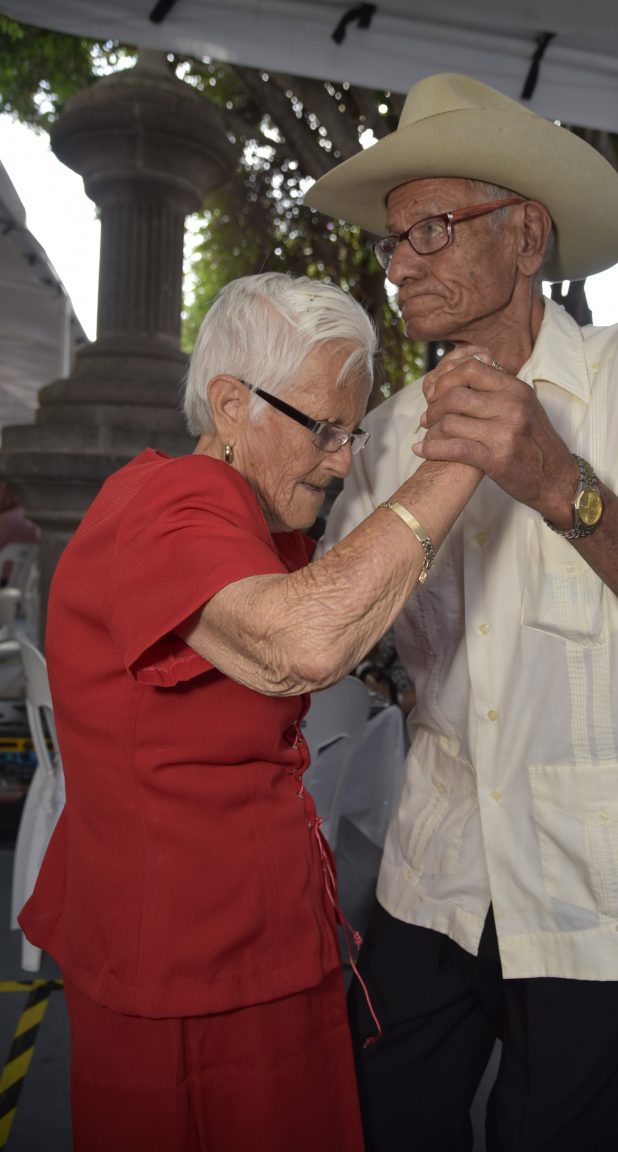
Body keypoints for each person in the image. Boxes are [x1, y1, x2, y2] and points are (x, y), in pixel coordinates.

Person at [306, 73, 618, 1152]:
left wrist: (558, 481)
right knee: (381, 1113)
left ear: (527, 237)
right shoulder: (391, 433)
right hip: (436, 866)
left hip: (596, 886)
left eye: (433, 230)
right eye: (396, 240)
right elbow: (342, 628)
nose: (401, 262)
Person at [17, 272, 481, 1152]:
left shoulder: (234, 512)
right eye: (327, 430)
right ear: (232, 404)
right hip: (191, 959)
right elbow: (300, 642)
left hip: (240, 935)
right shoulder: (172, 501)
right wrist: (459, 463)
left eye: (355, 432)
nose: (344, 460)